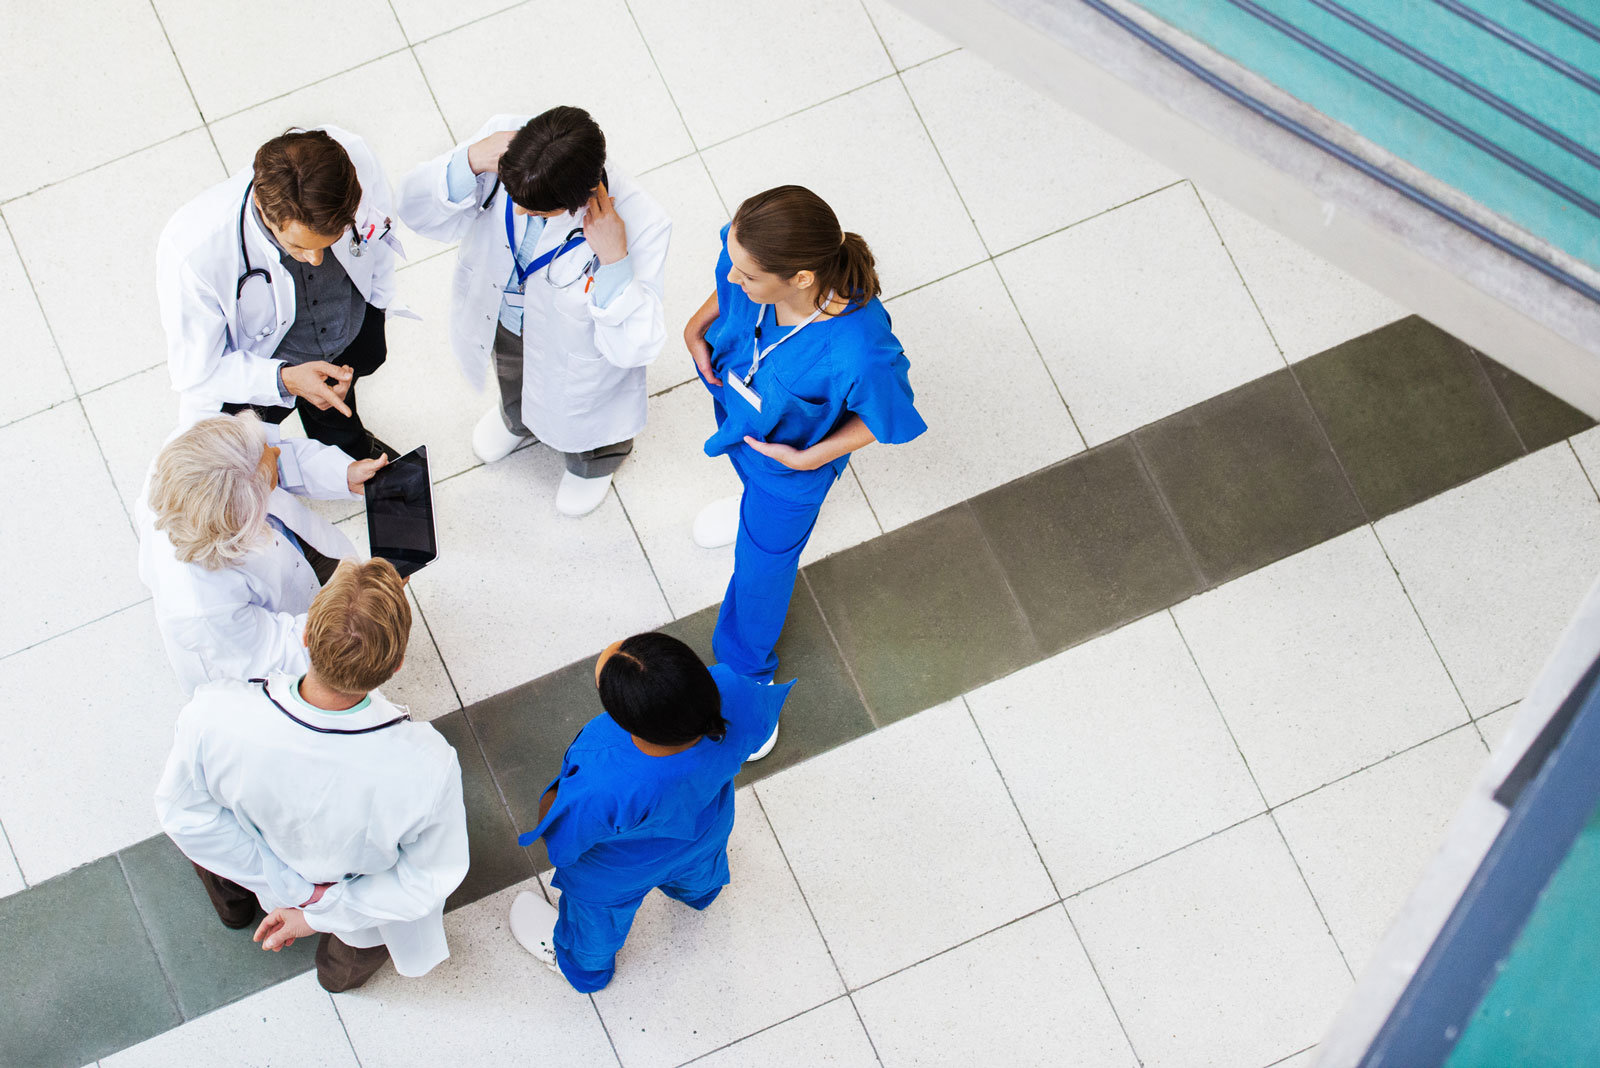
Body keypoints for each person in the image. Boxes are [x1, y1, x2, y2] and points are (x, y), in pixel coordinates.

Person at [154, 558, 469, 993]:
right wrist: (318, 911)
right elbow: (425, 880)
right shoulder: (428, 765)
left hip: (257, 864)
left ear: (304, 636)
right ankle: (336, 982)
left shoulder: (213, 715)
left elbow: (186, 816)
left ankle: (237, 910)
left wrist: (282, 884)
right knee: (349, 962)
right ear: (396, 664)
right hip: (359, 909)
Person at [681, 186, 927, 699]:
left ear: (801, 278)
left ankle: (748, 675)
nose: (733, 278)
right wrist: (696, 327)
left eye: (748, 276)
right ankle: (749, 505)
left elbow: (887, 415)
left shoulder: (859, 349)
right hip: (739, 414)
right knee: (751, 494)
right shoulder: (753, 253)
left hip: (788, 469)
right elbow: (728, 282)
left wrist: (807, 458)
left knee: (762, 573)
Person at [397, 107, 671, 517]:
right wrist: (470, 160)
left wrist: (614, 260)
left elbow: (636, 345)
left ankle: (594, 461)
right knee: (511, 371)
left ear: (579, 198)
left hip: (579, 344)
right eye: (516, 201)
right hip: (505, 312)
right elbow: (414, 208)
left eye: (538, 212)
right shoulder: (507, 143)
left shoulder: (644, 221)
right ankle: (519, 419)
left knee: (586, 405)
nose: (522, 213)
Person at [506, 632, 792, 992]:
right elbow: (758, 729)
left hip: (616, 874)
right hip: (705, 833)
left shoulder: (602, 768)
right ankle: (697, 896)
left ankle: (585, 971)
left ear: (629, 722)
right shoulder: (732, 690)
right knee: (699, 873)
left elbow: (563, 842)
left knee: (594, 927)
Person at [157, 126, 413, 458]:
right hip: (264, 370)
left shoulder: (353, 161)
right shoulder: (193, 252)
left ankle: (348, 448)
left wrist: (376, 306)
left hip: (347, 331)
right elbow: (195, 372)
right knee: (254, 460)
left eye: (330, 242)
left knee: (339, 419)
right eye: (299, 247)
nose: (316, 259)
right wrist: (284, 381)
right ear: (263, 209)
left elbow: (379, 235)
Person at [135, 411, 388, 695]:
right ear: (247, 514)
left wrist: (342, 475)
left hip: (287, 549)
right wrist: (361, 613)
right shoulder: (201, 606)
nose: (276, 450)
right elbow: (279, 652)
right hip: (252, 656)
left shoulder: (198, 447)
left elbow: (275, 456)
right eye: (269, 476)